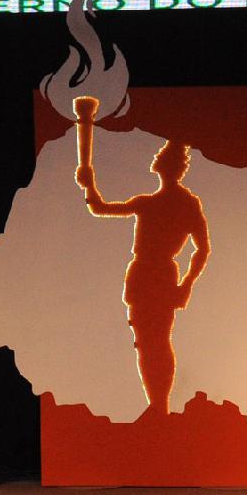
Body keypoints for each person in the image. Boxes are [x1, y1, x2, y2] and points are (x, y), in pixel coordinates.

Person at [76, 136, 211, 416]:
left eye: (162, 158)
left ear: (168, 166)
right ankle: (156, 405)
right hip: (143, 275)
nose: (157, 160)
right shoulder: (149, 203)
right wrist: (88, 185)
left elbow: (202, 249)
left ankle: (160, 405)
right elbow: (99, 208)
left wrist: (186, 284)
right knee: (147, 342)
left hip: (159, 275)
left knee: (156, 341)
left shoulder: (184, 204)